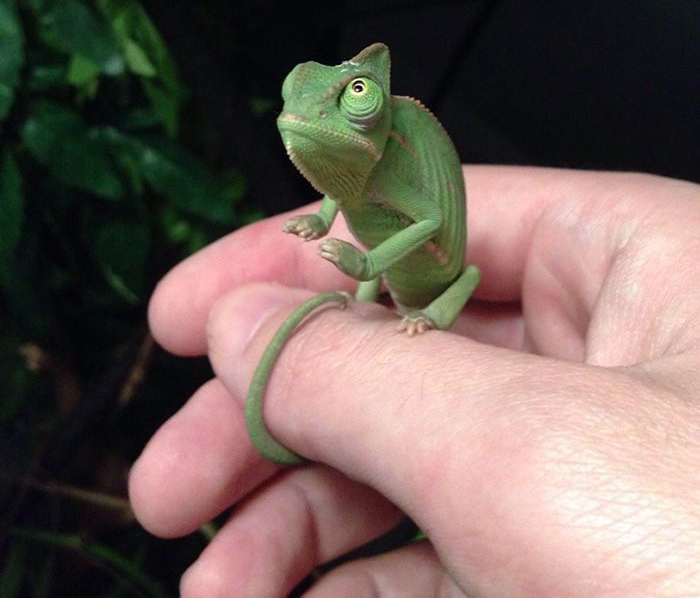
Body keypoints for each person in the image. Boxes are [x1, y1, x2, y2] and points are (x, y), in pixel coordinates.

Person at [129, 166, 700, 597]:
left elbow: (428, 222)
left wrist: (370, 273)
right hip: (388, 288)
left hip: (428, 284)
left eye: (355, 95)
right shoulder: (357, 164)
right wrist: (325, 221)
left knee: (450, 278)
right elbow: (345, 183)